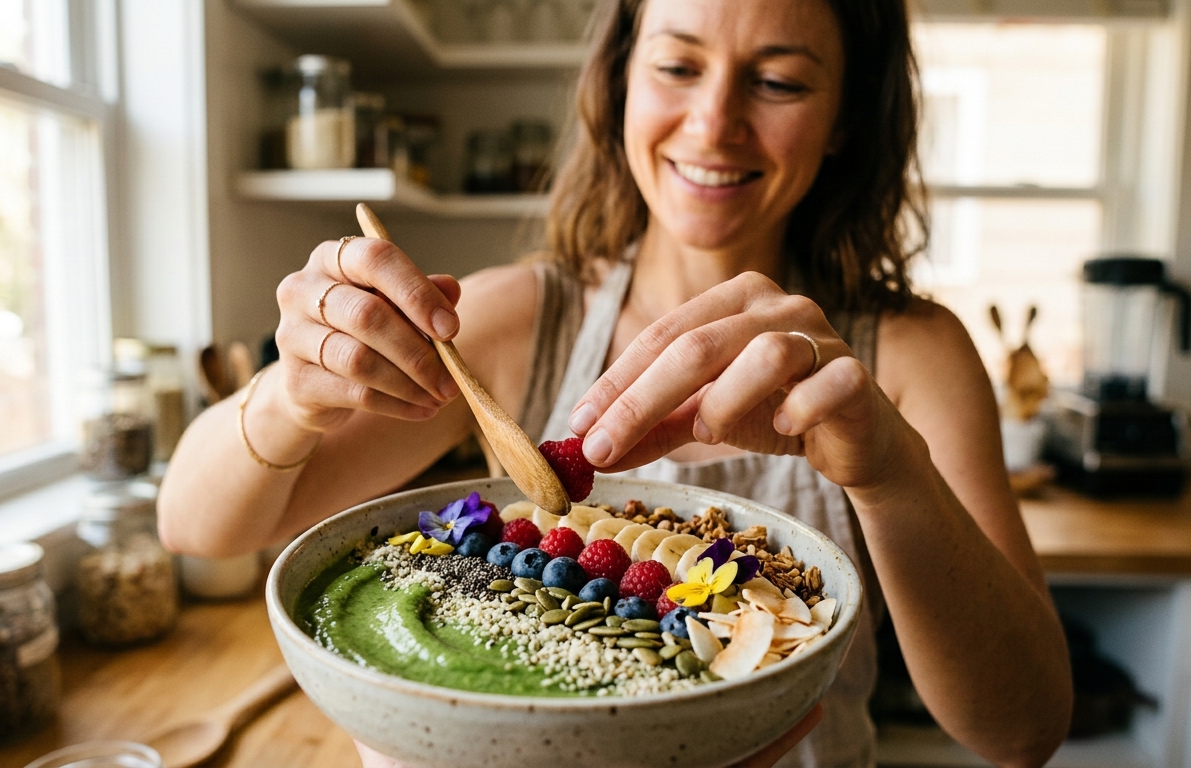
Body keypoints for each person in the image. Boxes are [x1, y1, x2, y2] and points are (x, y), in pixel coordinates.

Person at [159, 0, 1074, 765]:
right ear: (621, 81)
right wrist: (292, 392)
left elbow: (1023, 730)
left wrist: (889, 474)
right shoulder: (514, 324)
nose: (714, 123)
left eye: (780, 81)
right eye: (678, 66)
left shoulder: (912, 354)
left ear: (845, 120)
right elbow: (197, 525)